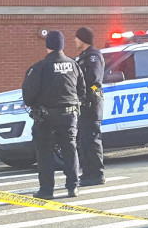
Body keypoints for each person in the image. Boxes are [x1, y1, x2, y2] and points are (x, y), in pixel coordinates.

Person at [21, 30, 84, 199]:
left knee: (45, 152)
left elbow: (28, 95)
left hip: (46, 117)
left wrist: (37, 105)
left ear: (47, 46)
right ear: (62, 46)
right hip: (69, 115)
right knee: (70, 149)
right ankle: (72, 187)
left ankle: (47, 190)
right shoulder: (73, 65)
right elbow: (82, 91)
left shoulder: (40, 67)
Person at [74, 26, 106, 186]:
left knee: (92, 138)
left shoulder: (93, 56)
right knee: (85, 140)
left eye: (77, 38)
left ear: (83, 39)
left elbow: (93, 78)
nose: (74, 40)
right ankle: (87, 173)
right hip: (83, 102)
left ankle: (97, 174)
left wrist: (78, 80)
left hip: (92, 101)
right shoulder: (82, 57)